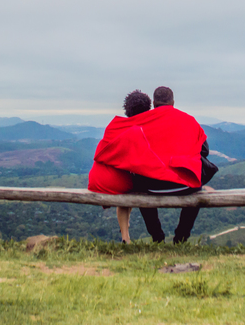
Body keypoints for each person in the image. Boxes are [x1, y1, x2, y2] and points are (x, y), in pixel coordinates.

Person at [87, 85, 217, 243]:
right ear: (173, 102)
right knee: (197, 190)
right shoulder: (189, 120)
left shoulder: (142, 122)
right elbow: (204, 151)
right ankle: (181, 238)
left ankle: (157, 237)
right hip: (186, 186)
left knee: (142, 182)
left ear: (154, 103)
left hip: (152, 186)